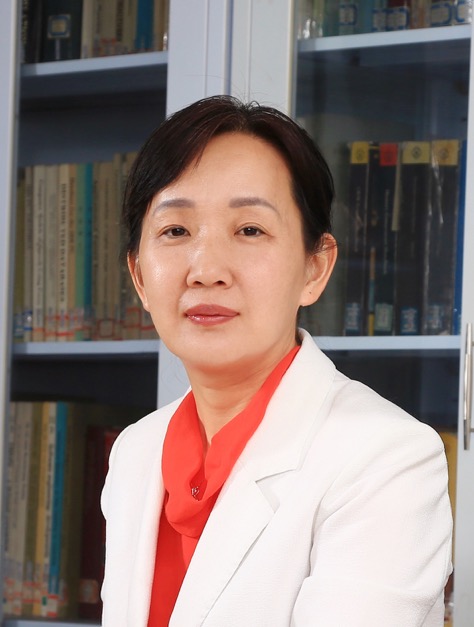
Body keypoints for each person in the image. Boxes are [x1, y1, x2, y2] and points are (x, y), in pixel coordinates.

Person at [100, 95, 453, 626]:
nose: (207, 270)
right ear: (140, 277)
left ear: (315, 268)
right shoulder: (135, 452)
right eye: (176, 231)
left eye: (250, 230)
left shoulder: (387, 459)